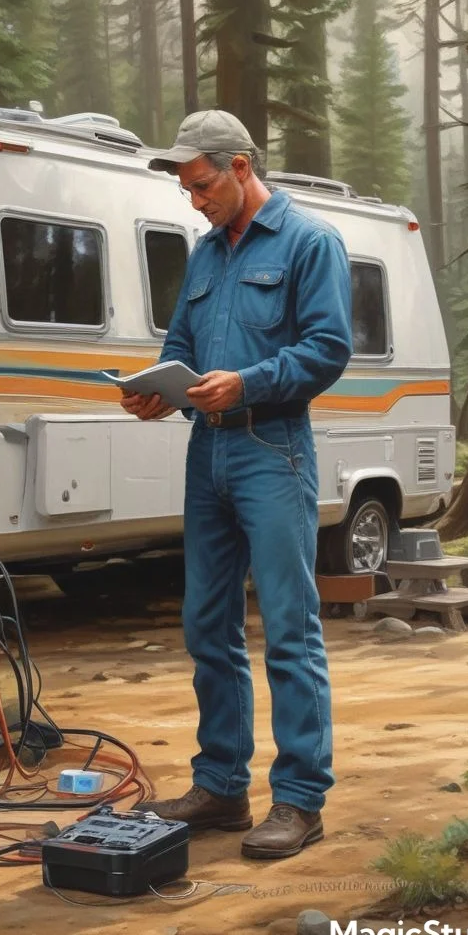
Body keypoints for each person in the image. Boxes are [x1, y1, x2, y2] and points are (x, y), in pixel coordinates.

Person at [122, 110, 353, 859]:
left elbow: (328, 350)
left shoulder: (310, 242)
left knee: (289, 627)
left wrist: (248, 383)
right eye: (188, 190)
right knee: (206, 625)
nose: (195, 202)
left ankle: (300, 800)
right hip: (207, 452)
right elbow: (181, 346)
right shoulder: (206, 254)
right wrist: (160, 390)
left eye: (203, 186)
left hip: (272, 448)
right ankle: (221, 786)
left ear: (241, 167)